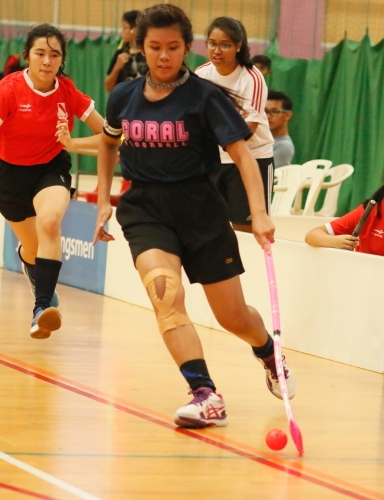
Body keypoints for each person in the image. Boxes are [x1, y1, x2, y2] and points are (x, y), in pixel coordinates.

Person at [93, 4, 295, 428]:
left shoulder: (205, 97)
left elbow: (243, 154)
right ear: (141, 47)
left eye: (172, 47)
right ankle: (205, 394)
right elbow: (109, 144)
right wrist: (104, 202)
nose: (163, 56)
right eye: (153, 47)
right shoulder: (122, 96)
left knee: (233, 317)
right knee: (166, 296)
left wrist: (258, 214)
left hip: (201, 209)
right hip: (145, 208)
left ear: (187, 48)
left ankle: (268, 354)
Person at [0, 24, 104, 338]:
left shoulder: (67, 91)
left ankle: (40, 308)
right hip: (9, 177)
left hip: (50, 169)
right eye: (40, 53)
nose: (47, 61)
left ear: (62, 60)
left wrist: (74, 144)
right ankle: (32, 270)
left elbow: (107, 136)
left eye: (55, 55)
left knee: (50, 222)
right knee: (32, 247)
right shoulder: (10, 89)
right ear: (28, 55)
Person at [195, 17, 274, 233]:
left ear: (239, 46)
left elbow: (248, 129)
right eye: (212, 43)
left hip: (252, 160)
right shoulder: (200, 75)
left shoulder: (253, 79)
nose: (217, 51)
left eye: (225, 45)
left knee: (246, 230)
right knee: (208, 228)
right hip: (214, 162)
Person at [104, 10, 147, 92]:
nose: (121, 31)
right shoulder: (121, 52)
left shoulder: (148, 54)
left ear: (135, 29)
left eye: (124, 27)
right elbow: (108, 88)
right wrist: (116, 68)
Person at [266, 90, 294, 168]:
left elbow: (265, 176)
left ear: (287, 115)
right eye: (265, 111)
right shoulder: (261, 140)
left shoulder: (284, 146)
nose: (268, 116)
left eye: (274, 111)